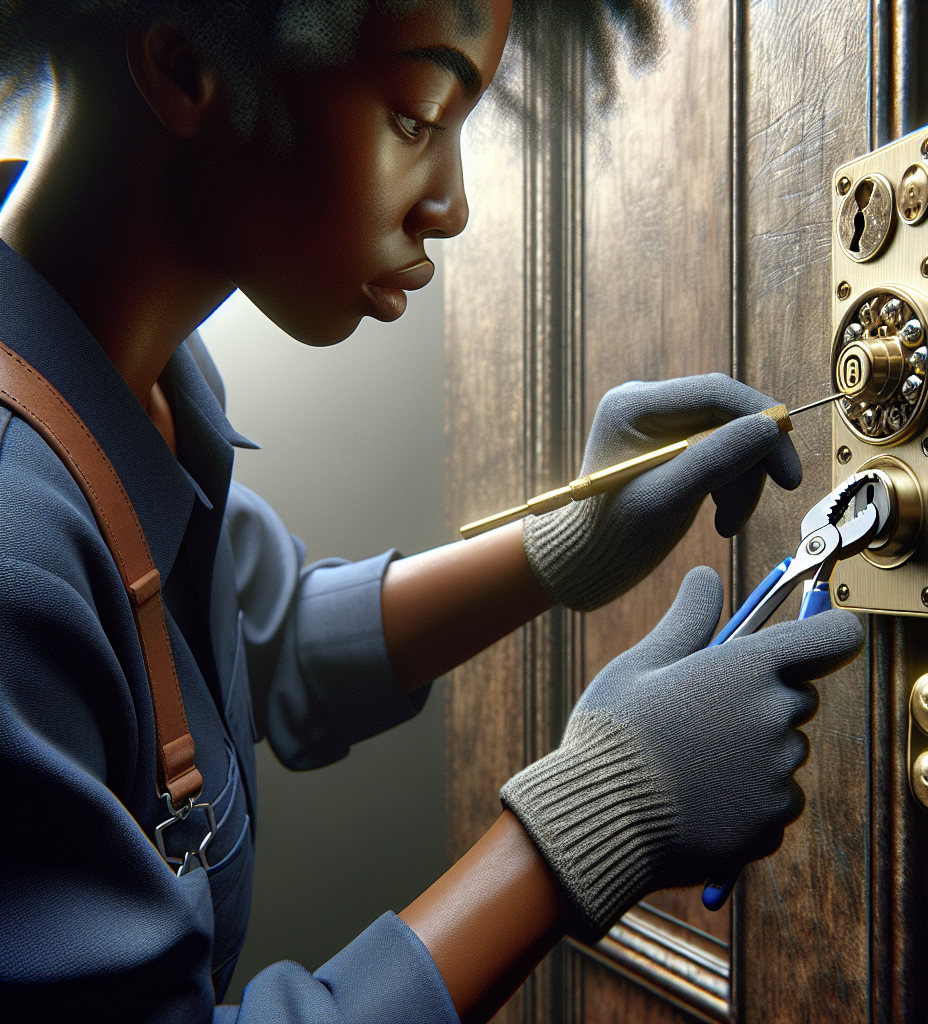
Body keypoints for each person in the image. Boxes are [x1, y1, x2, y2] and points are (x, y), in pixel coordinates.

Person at [0, 1, 865, 1021]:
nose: (450, 205)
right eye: (416, 117)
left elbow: (257, 643)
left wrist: (556, 549)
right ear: (189, 68)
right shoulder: (17, 534)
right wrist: (591, 817)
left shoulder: (137, 380)